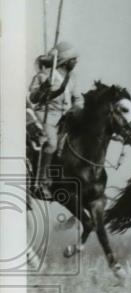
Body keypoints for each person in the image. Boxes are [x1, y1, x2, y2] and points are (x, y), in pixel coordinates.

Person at [27, 41, 84, 198]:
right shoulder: (45, 75)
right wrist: (43, 90)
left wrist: (78, 108)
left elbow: (78, 99)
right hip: (46, 117)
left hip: (66, 119)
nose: (76, 62)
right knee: (51, 143)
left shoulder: (72, 78)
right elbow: (33, 98)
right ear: (66, 60)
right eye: (74, 59)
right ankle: (40, 182)